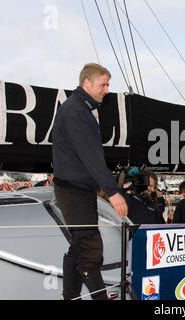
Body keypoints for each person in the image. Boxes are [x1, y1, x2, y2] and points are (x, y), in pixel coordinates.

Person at [52, 63, 128, 300]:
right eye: (102, 84)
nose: (107, 89)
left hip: (79, 189)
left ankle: (70, 297)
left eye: (108, 84)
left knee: (78, 247)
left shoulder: (82, 108)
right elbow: (91, 157)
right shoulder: (76, 111)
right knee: (91, 251)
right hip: (73, 191)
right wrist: (113, 192)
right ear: (86, 83)